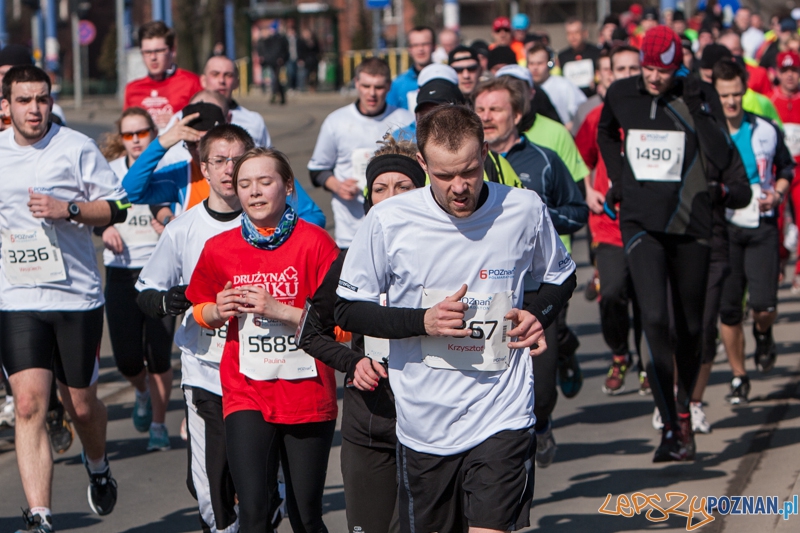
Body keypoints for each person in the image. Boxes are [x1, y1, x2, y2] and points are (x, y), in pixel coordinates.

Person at [335, 104, 577, 532]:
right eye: (444, 176)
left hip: (502, 412)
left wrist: (538, 313)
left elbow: (561, 276)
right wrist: (422, 322)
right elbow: (349, 309)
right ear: (423, 164)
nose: (459, 187)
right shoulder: (389, 221)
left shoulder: (523, 209)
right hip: (425, 422)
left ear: (484, 152)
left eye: (468, 170)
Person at [598, 26, 751, 462]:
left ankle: (684, 407)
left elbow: (723, 160)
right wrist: (619, 176)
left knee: (690, 329)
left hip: (691, 225)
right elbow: (607, 133)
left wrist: (702, 115)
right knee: (654, 318)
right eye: (646, 68)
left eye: (660, 70)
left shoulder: (698, 95)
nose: (651, 77)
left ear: (677, 66)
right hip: (641, 223)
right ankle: (669, 424)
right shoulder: (622, 93)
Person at [0, 65, 129, 532]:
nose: (34, 109)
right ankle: (40, 516)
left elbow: (117, 206)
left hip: (75, 296)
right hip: (16, 295)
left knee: (80, 404)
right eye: (23, 100)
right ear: (5, 106)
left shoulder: (75, 148)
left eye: (42, 99)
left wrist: (68, 208)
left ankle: (98, 463)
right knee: (30, 403)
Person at [186, 147, 339, 532]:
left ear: (288, 187)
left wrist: (282, 310)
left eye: (265, 182)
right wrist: (217, 311)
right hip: (246, 390)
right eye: (244, 184)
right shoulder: (219, 249)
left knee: (306, 515)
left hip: (307, 391)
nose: (254, 192)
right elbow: (198, 308)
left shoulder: (316, 244)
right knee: (253, 512)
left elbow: (342, 328)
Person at [299, 135, 426, 533]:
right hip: (369, 422)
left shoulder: (447, 256)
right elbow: (311, 332)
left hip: (434, 421)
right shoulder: (349, 261)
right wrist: (353, 362)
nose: (389, 197)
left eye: (402, 187)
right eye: (380, 189)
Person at [136, 125, 255, 533]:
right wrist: (171, 300)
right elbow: (146, 291)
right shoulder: (183, 230)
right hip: (207, 373)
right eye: (220, 160)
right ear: (204, 168)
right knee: (208, 490)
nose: (229, 169)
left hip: (263, 373)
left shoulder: (275, 226)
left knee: (260, 491)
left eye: (238, 159)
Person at [475, 75, 587, 467]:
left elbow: (578, 213)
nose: (487, 117)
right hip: (487, 289)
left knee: (540, 392)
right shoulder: (469, 166)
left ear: (517, 115)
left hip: (540, 287)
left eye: (496, 110)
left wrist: (535, 213)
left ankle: (541, 423)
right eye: (482, 109)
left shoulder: (543, 159)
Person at [0, 42, 74, 456]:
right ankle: (19, 400)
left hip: (38, 250)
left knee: (39, 340)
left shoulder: (41, 118)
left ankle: (51, 404)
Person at [714, 59, 794, 408]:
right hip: (726, 228)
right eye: (724, 95)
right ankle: (738, 374)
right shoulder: (711, 132)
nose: (731, 102)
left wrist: (777, 192)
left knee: (763, 306)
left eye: (736, 94)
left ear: (744, 91)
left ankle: (764, 333)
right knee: (730, 310)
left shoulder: (765, 128)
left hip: (762, 226)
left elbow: (787, 167)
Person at [97, 107, 176, 451]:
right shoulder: (109, 171)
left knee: (159, 355)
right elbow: (94, 210)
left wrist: (167, 218)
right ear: (120, 138)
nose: (135, 141)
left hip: (158, 274)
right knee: (129, 359)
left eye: (141, 133)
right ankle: (141, 391)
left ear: (152, 133)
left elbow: (168, 203)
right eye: (128, 135)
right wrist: (106, 227)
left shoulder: (167, 166)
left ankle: (159, 424)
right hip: (120, 272)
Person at [124, 93, 325, 226]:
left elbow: (314, 217)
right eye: (191, 144)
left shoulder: (261, 171)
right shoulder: (183, 176)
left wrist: (276, 236)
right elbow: (131, 191)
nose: (199, 151)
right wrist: (163, 142)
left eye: (206, 142)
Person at [574, 45, 649, 396]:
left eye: (635, 67)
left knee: (648, 297)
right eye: (621, 68)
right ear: (609, 75)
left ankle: (651, 364)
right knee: (615, 292)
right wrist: (589, 190)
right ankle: (620, 353)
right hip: (608, 223)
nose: (629, 74)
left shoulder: (655, 113)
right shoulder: (597, 117)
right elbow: (582, 161)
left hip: (651, 220)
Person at [308, 57, 414, 248]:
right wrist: (336, 185)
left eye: (379, 87)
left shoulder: (405, 120)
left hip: (398, 230)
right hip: (351, 233)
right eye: (366, 86)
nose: (372, 93)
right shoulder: (336, 121)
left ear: (389, 86)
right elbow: (317, 170)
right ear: (356, 83)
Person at [124, 21, 203, 130]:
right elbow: (125, 131)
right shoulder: (132, 89)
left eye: (159, 51)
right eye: (147, 52)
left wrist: (177, 120)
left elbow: (204, 125)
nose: (153, 57)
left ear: (172, 51)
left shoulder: (192, 82)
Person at [770, 50, 800, 292]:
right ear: (778, 73)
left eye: (794, 70)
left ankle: (799, 270)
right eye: (785, 71)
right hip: (779, 170)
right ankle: (778, 260)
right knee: (777, 219)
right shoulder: (770, 102)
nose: (790, 76)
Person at [201, 55, 272, 147]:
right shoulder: (185, 118)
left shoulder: (254, 121)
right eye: (215, 74)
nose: (221, 80)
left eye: (228, 75)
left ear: (236, 82)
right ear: (203, 80)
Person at [528, 42, 587, 131]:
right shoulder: (525, 89)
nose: (535, 68)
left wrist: (572, 126)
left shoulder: (564, 86)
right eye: (531, 63)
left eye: (539, 63)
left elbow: (583, 111)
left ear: (550, 64)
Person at [386, 26, 434, 110]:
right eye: (415, 45)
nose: (420, 49)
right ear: (410, 49)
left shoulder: (446, 79)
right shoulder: (397, 85)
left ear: (434, 46)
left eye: (425, 44)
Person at [572, 48, 614, 135]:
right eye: (606, 69)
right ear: (598, 74)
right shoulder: (584, 109)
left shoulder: (628, 105)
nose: (611, 74)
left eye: (614, 69)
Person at [558, 17, 602, 96]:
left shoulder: (597, 53)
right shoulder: (562, 56)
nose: (573, 36)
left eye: (576, 32)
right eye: (569, 33)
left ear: (585, 33)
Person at [256, 23, 289, 105]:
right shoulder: (263, 41)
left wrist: (281, 58)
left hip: (276, 62)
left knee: (276, 79)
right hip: (269, 62)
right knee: (274, 79)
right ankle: (280, 96)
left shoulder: (277, 39)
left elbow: (281, 50)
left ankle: (276, 96)